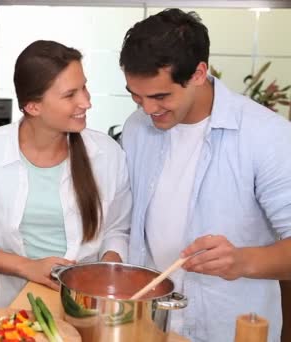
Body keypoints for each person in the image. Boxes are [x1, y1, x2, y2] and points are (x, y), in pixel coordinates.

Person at [120, 8, 291, 342]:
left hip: (228, 329)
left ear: (199, 73)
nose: (148, 109)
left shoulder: (267, 136)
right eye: (135, 95)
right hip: (148, 325)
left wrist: (241, 260)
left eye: (160, 96)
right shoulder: (136, 128)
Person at [0, 40, 132, 308]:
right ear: (33, 107)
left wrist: (107, 273)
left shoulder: (106, 153)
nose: (86, 102)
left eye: (84, 87)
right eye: (70, 95)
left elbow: (117, 228)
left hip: (88, 305)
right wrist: (27, 267)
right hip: (10, 305)